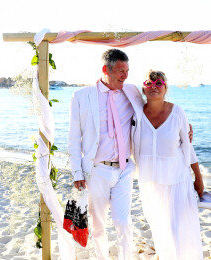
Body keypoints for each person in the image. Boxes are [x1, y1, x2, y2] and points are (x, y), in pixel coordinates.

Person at [68, 49, 144, 260]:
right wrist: (77, 172)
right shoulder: (81, 97)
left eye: (127, 71)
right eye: (121, 71)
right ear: (105, 69)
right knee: (98, 224)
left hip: (125, 169)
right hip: (96, 171)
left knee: (123, 222)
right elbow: (74, 139)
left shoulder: (133, 92)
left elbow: (153, 111)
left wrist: (183, 126)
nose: (125, 76)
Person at [131, 69, 204, 260]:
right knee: (159, 226)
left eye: (158, 83)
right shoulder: (136, 113)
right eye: (149, 83)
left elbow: (188, 147)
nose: (154, 87)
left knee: (177, 227)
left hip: (177, 181)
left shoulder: (177, 112)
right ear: (143, 88)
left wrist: (198, 177)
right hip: (150, 182)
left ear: (165, 88)